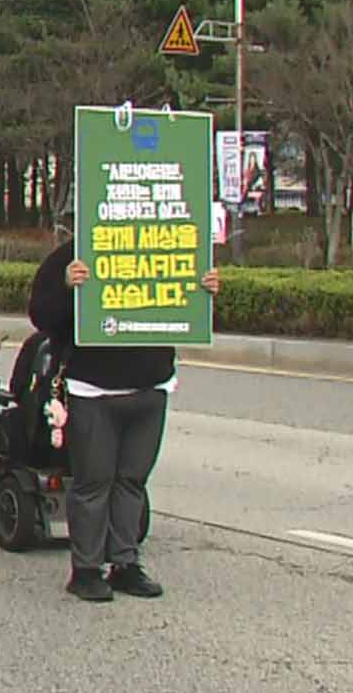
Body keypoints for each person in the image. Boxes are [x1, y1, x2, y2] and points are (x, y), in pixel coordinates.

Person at [28, 235, 220, 603]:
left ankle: (125, 563)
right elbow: (41, 315)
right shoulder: (73, 254)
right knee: (93, 481)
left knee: (132, 481)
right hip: (93, 389)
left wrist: (204, 292)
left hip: (151, 386)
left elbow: (189, 316)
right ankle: (86, 569)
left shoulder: (169, 249)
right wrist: (66, 286)